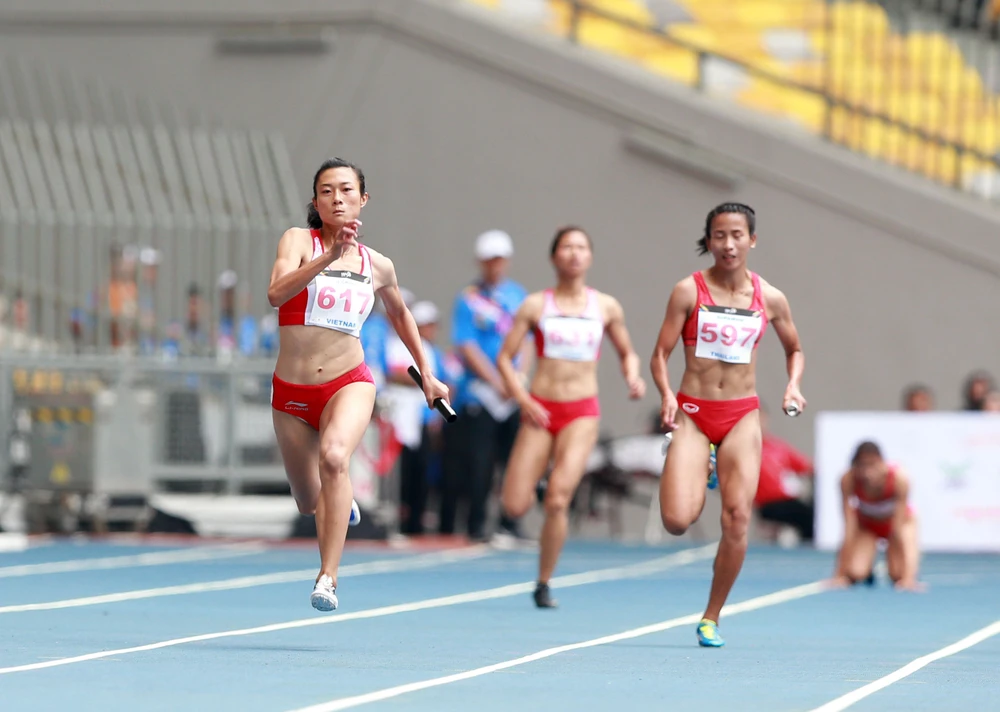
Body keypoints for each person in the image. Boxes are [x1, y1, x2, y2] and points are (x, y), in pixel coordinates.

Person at [267, 157, 449, 612]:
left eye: (346, 190)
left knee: (334, 458)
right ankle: (338, 499)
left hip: (348, 382)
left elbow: (401, 315)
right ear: (315, 202)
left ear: (363, 199)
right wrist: (328, 258)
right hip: (291, 393)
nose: (337, 198)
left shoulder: (378, 265)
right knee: (308, 501)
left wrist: (427, 374)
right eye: (326, 191)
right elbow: (276, 293)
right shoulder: (298, 240)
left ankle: (327, 577)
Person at [649, 202, 805, 648]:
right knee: (677, 521)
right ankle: (700, 461)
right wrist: (666, 395)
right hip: (693, 414)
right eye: (720, 235)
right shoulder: (688, 291)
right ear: (709, 241)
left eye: (737, 235)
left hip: (741, 417)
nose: (729, 244)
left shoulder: (770, 298)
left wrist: (793, 386)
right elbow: (659, 354)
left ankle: (711, 617)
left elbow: (794, 349)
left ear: (752, 240)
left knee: (737, 519)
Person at [496, 226, 645, 608]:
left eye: (581, 247)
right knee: (514, 504)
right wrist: (522, 398)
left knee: (559, 501)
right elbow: (505, 358)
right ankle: (542, 480)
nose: (574, 254)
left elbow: (627, 352)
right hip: (540, 409)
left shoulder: (606, 307)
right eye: (567, 247)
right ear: (554, 256)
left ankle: (544, 582)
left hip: (581, 412)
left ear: (590, 257)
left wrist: (632, 376)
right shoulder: (535, 305)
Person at [440, 229, 530, 544]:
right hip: (481, 391)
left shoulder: (518, 295)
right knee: (480, 461)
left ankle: (510, 520)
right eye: (490, 259)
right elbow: (466, 345)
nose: (495, 265)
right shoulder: (469, 298)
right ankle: (477, 523)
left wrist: (517, 380)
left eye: (500, 259)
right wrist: (496, 380)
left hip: (512, 392)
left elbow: (527, 341)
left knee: (515, 460)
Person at [831, 441, 923, 591]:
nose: (868, 473)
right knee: (856, 572)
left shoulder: (899, 479)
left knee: (897, 574)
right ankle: (867, 570)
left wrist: (907, 578)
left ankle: (901, 570)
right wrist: (840, 574)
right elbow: (848, 528)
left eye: (872, 465)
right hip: (868, 526)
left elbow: (898, 529)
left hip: (898, 523)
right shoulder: (848, 479)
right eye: (862, 466)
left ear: (881, 462)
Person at [754, 402, 814, 543]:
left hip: (788, 500)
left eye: (761, 418)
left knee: (812, 511)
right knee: (805, 515)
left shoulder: (778, 447)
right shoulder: (746, 449)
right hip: (767, 504)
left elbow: (805, 465)